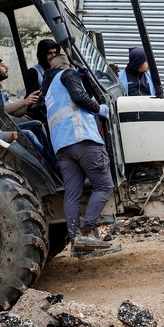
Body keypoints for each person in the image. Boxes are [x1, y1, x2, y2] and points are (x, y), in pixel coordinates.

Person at [42, 52, 117, 254]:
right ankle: (86, 231)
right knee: (104, 186)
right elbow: (79, 97)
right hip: (82, 138)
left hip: (63, 148)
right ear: (67, 64)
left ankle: (77, 240)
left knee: (72, 194)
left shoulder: (49, 90)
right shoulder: (68, 74)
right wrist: (99, 108)